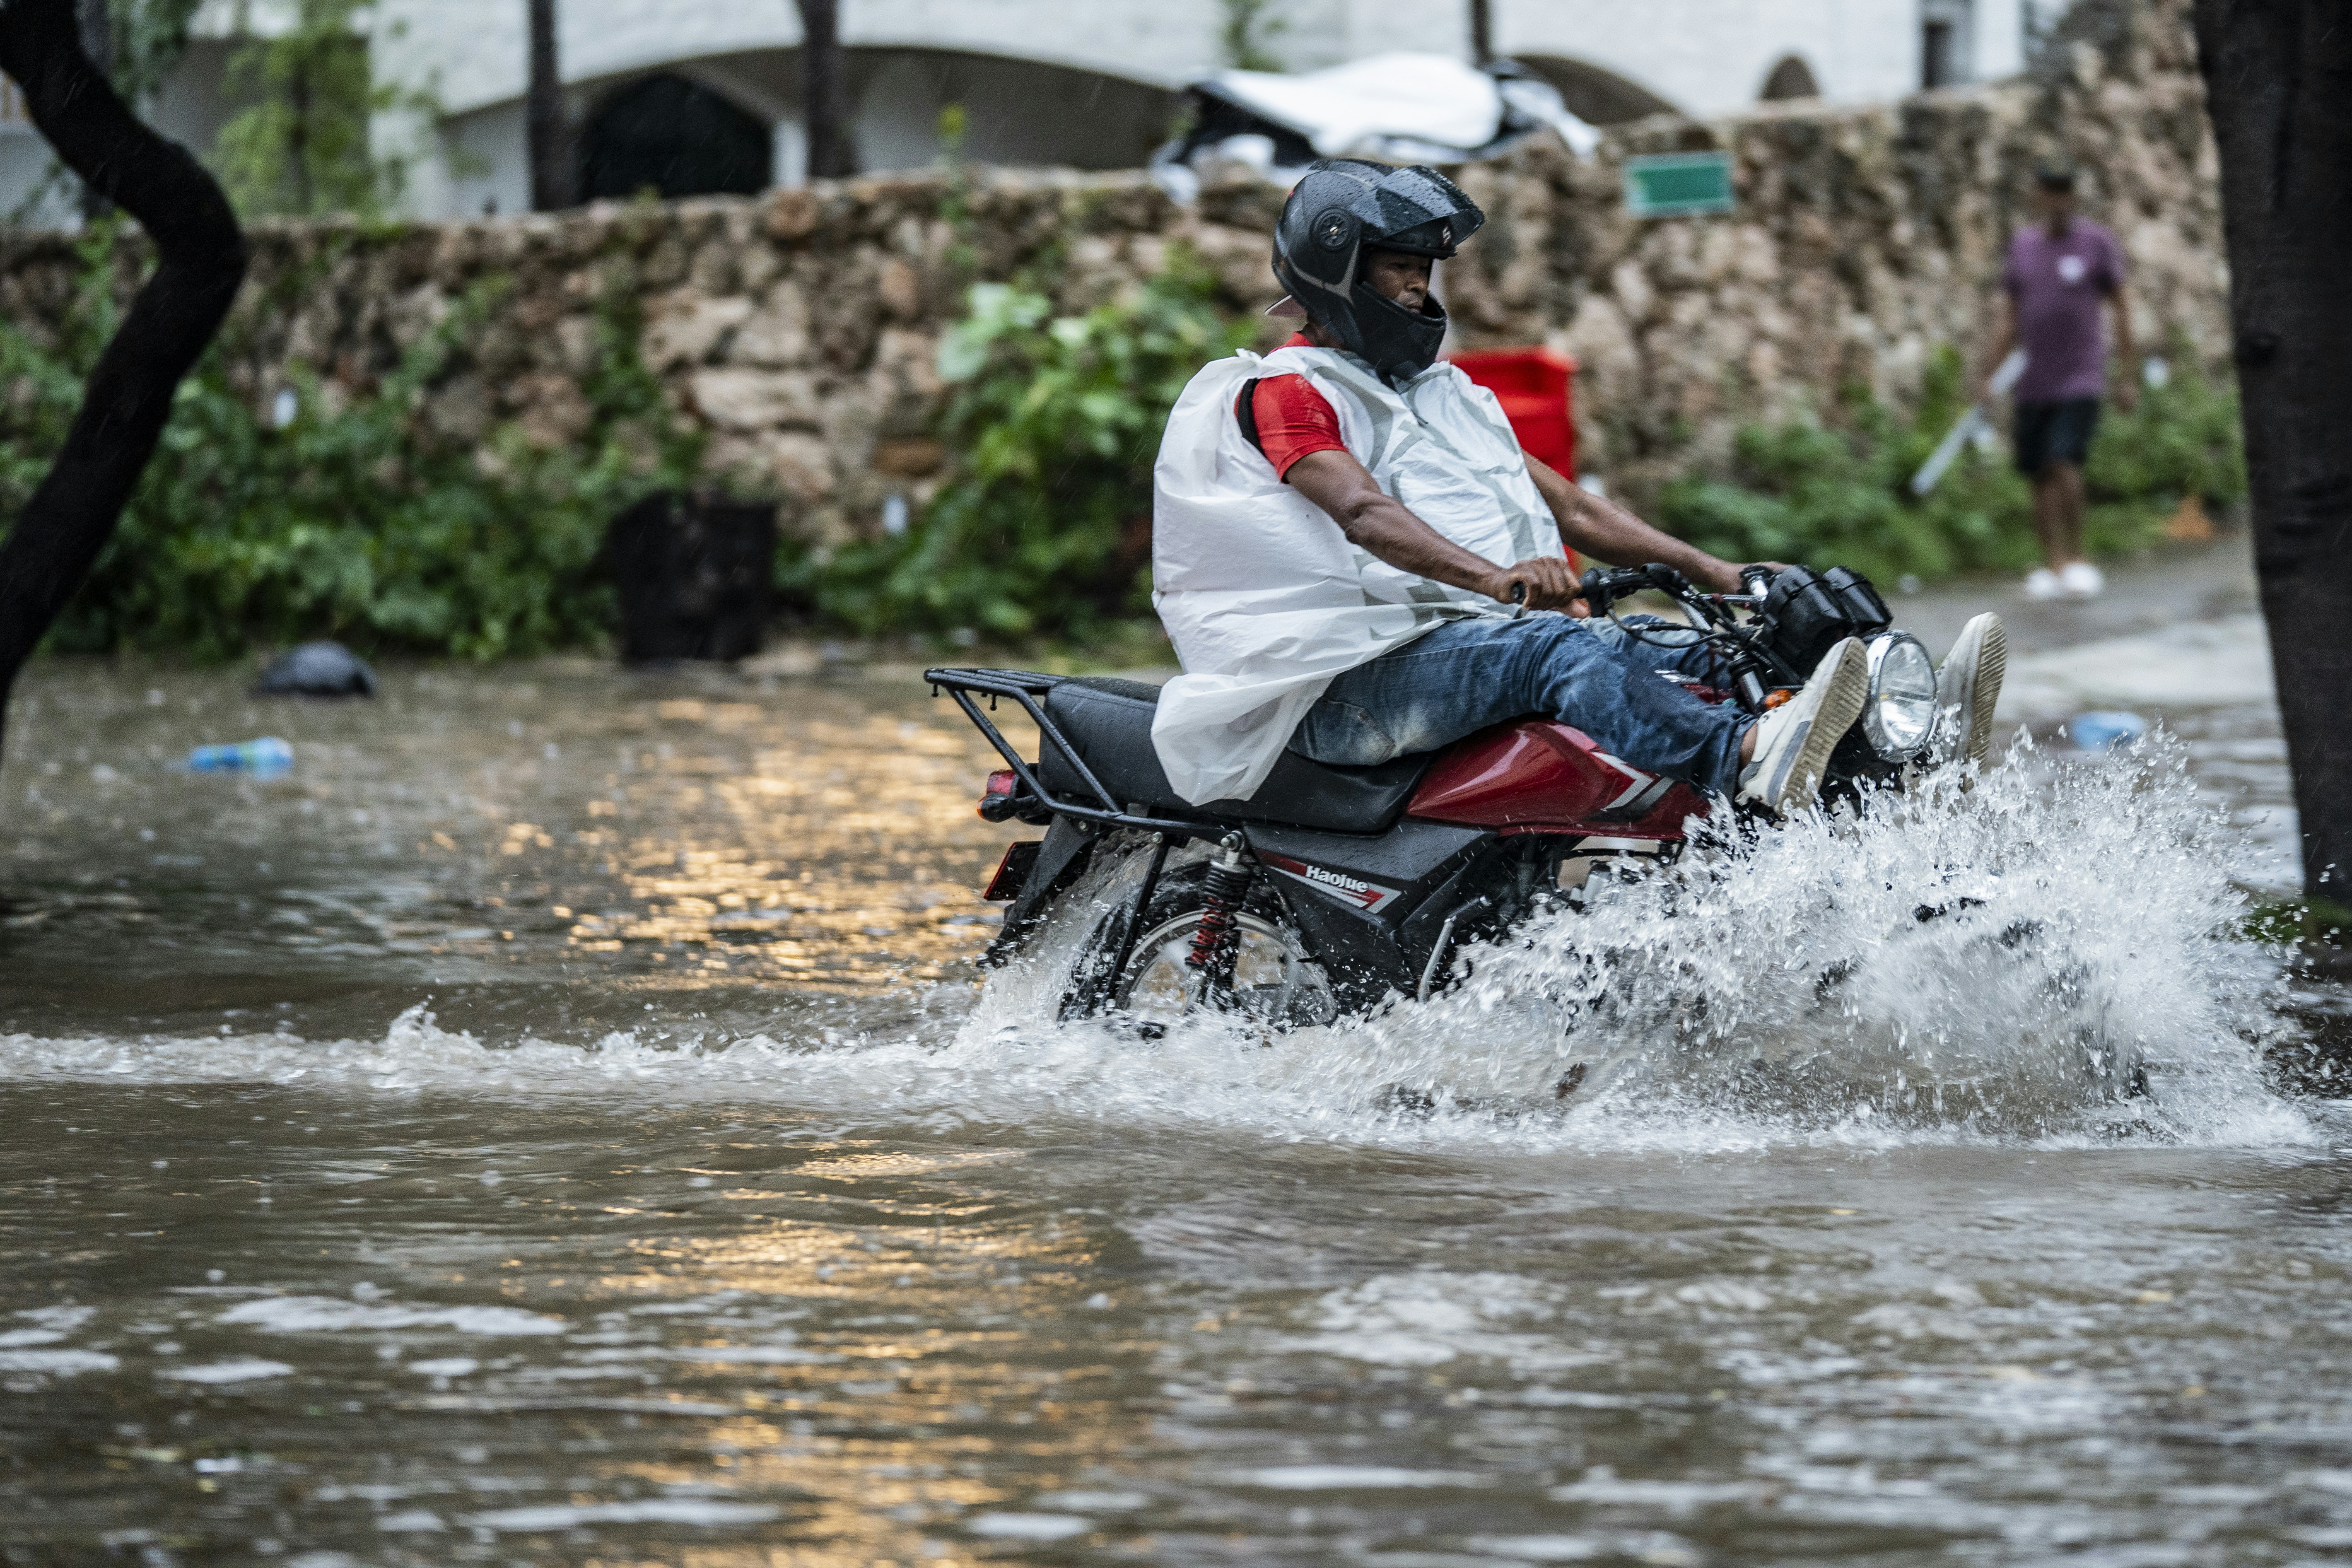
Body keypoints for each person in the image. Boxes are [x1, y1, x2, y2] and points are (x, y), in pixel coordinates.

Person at [1148, 159, 2008, 819]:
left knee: (1727, 648)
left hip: (1460, 652)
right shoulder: (1286, 393)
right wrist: (1498, 579)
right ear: (1335, 272)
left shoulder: (1436, 397)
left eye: (1423, 269)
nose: (1418, 286)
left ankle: (1896, 745)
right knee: (1568, 651)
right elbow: (1361, 512)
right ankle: (1747, 759)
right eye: (1397, 269)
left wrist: (1724, 572)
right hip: (1347, 686)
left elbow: (1576, 509)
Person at [1978, 159, 2137, 601]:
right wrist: (1988, 372)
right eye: (2050, 192)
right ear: (2039, 196)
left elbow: (2122, 306)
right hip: (2034, 380)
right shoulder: (2024, 247)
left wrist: (2128, 375)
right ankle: (2053, 562)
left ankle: (2078, 557)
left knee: (2065, 462)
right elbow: (2009, 318)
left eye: (2065, 192)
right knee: (2038, 472)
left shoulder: (2095, 244)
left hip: (2081, 377)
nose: (2058, 201)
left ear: (2073, 196)